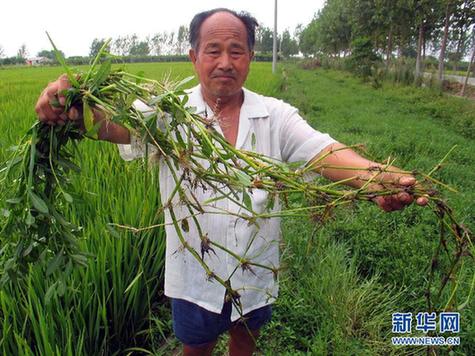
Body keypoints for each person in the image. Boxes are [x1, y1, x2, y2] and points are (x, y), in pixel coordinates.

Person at [35, 8, 427, 356]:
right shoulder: (168, 114)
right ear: (193, 57)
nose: (225, 62)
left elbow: (322, 151)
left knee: (246, 338)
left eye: (236, 51)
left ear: (250, 58)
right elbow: (110, 123)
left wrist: (375, 178)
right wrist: (71, 103)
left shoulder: (275, 116)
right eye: (213, 50)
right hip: (194, 275)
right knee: (196, 346)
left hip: (256, 268)